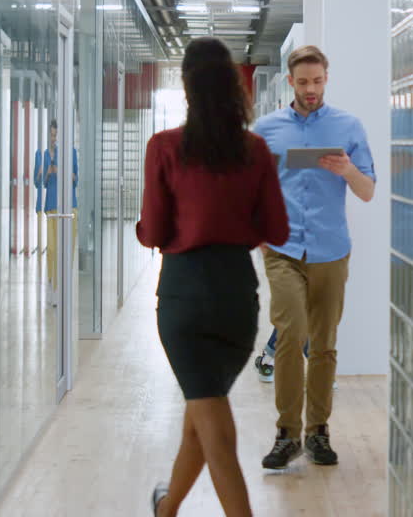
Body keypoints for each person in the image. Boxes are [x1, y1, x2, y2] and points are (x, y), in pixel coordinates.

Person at [136, 38, 289, 517]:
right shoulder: (255, 150)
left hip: (184, 298)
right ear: (233, 87)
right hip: (236, 299)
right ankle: (167, 508)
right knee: (203, 415)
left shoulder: (164, 148)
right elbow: (277, 230)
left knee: (213, 428)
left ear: (187, 87)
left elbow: (153, 232)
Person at [253, 45, 376, 470]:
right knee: (291, 333)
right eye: (303, 82)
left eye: (318, 81)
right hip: (283, 249)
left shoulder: (348, 126)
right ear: (290, 81)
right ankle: (287, 434)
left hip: (330, 249)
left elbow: (367, 190)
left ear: (327, 78)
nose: (311, 89)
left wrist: (347, 171)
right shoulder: (266, 130)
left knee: (323, 344)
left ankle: (318, 432)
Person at [34, 119, 77, 306]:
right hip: (51, 205)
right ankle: (52, 284)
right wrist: (46, 172)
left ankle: (63, 287)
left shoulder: (71, 153)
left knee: (66, 249)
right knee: (52, 249)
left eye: (56, 135)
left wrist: (60, 170)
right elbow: (40, 183)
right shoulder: (43, 155)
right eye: (51, 135)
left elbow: (75, 178)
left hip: (69, 206)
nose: (53, 139)